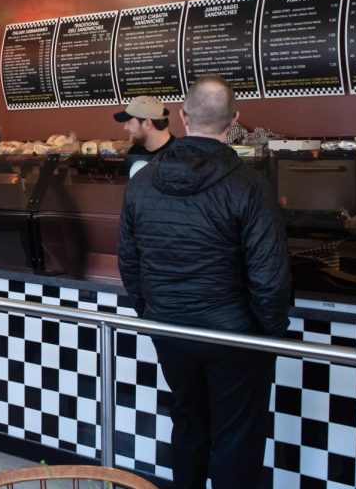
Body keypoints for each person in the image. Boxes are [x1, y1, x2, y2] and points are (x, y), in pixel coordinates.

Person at [118, 75, 291, 489]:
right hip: (233, 336)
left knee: (189, 422)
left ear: (181, 115)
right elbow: (270, 277)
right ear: (234, 119)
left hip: (169, 330)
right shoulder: (250, 184)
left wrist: (154, 313)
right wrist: (269, 333)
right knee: (236, 438)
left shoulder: (141, 182)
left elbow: (129, 261)